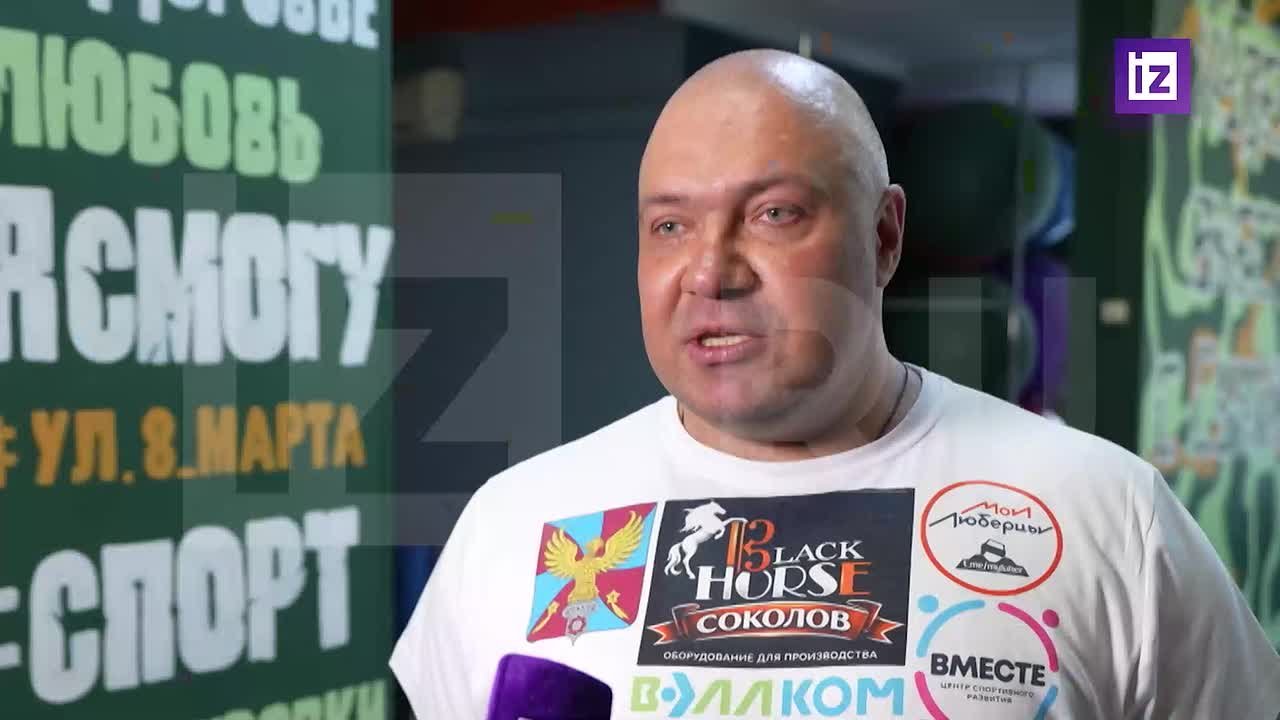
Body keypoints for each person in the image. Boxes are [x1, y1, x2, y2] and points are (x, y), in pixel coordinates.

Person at [391, 49, 1280, 719]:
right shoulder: (515, 523)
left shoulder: (1106, 513)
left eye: (774, 214)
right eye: (670, 225)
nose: (710, 271)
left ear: (884, 236)